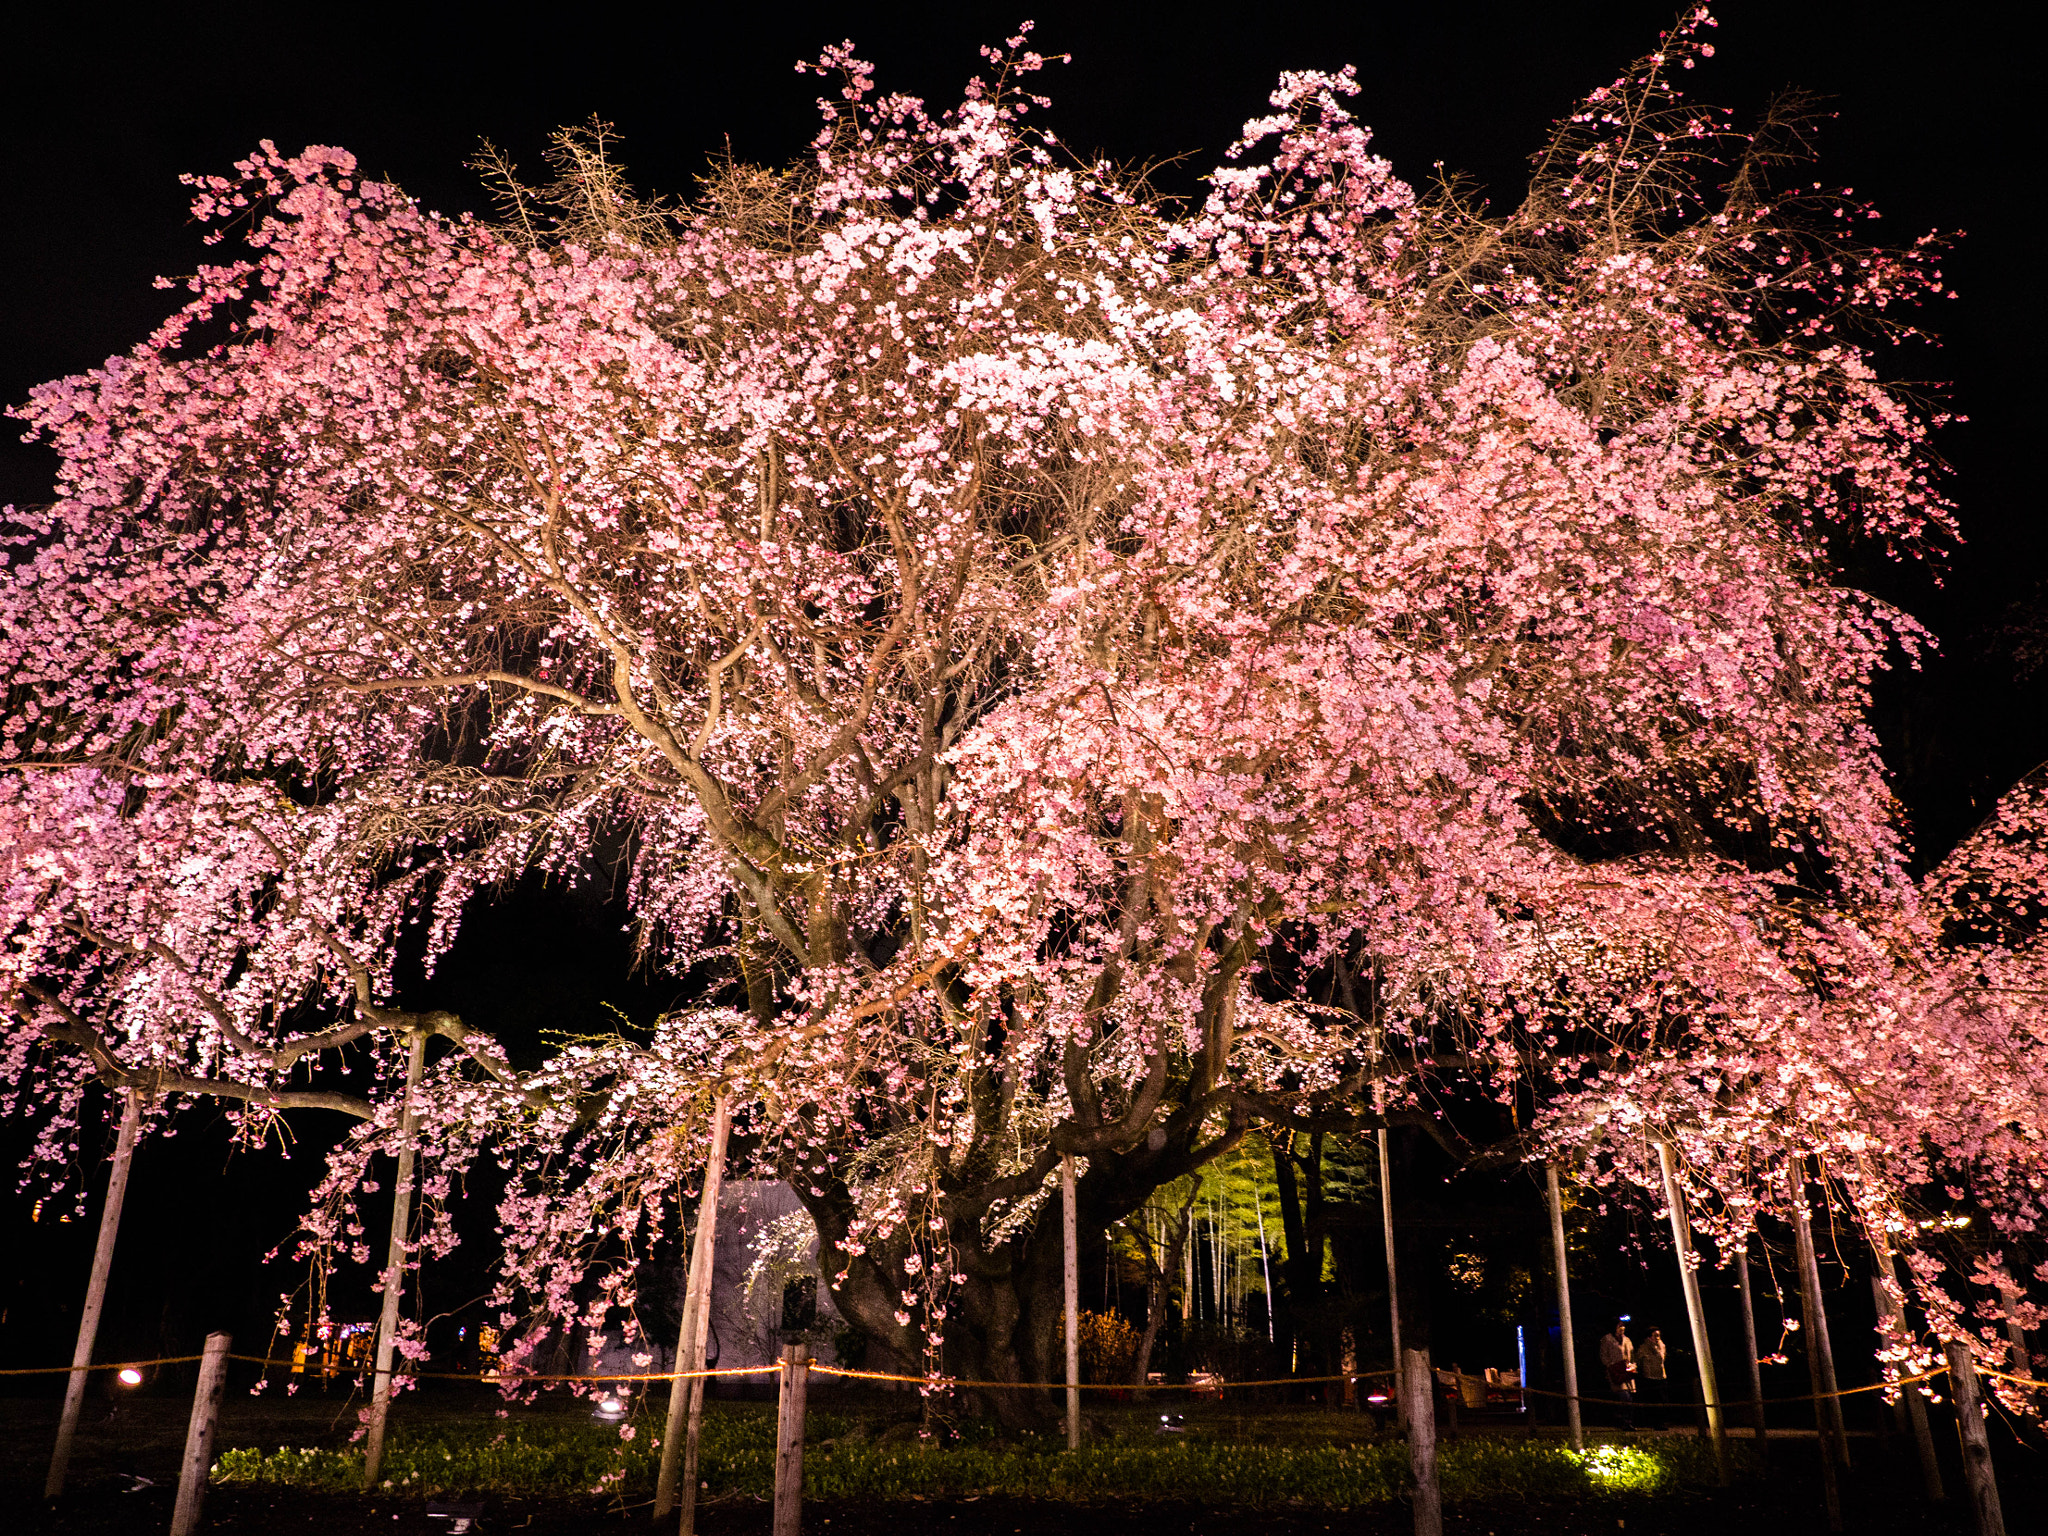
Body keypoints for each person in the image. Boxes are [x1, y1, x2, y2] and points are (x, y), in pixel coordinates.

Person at [1598, 1319, 1636, 1428]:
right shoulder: (1607, 1339)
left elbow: (1632, 1355)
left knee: (1629, 1398)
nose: (1622, 1328)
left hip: (1627, 1373)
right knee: (1624, 1396)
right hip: (1616, 1372)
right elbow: (1603, 1355)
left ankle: (1628, 1422)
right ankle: (1625, 1422)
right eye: (1619, 1326)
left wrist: (1633, 1365)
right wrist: (1611, 1366)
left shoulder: (1627, 1340)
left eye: (1623, 1326)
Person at [1637, 1327, 1668, 1427]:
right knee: (1652, 1401)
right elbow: (1639, 1361)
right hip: (1649, 1377)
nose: (1658, 1337)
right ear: (1650, 1336)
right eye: (1655, 1335)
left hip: (1661, 1376)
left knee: (1662, 1400)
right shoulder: (1644, 1347)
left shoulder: (1662, 1346)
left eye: (1659, 1335)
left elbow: (1663, 1359)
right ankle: (1652, 1422)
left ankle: (1661, 1421)